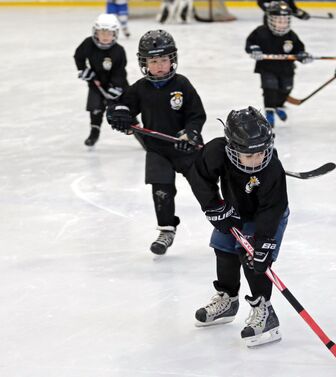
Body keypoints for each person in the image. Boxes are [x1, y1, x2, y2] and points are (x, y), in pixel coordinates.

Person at [188, 106, 289, 347]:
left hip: (267, 217)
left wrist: (264, 241)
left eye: (261, 153)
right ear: (232, 148)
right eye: (249, 155)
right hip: (235, 211)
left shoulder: (272, 168)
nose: (257, 159)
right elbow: (199, 176)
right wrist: (214, 207)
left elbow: (273, 208)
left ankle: (265, 312)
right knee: (223, 249)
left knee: (252, 258)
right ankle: (228, 299)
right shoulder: (216, 151)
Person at [107, 30, 207, 255]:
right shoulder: (140, 88)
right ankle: (166, 229)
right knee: (161, 189)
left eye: (164, 59)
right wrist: (119, 115)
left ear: (173, 59)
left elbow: (196, 115)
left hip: (185, 147)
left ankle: (226, 224)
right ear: (144, 63)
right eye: (154, 61)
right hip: (157, 149)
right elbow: (121, 106)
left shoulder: (182, 84)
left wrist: (190, 134)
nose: (160, 65)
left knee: (204, 186)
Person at [245, 1, 313, 126]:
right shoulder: (261, 32)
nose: (282, 24)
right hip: (267, 68)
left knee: (286, 88)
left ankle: (277, 106)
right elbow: (250, 43)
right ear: (270, 19)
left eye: (285, 20)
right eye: (278, 20)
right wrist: (254, 49)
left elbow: (299, 49)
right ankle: (269, 111)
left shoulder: (291, 35)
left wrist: (302, 55)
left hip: (286, 68)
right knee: (270, 88)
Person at [74, 13, 128, 147]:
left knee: (125, 110)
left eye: (109, 33)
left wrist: (116, 86)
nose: (105, 36)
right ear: (95, 32)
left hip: (116, 87)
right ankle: (94, 131)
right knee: (95, 109)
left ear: (115, 34)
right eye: (102, 32)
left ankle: (140, 135)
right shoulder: (88, 43)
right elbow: (78, 56)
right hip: (96, 83)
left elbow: (120, 71)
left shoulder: (119, 51)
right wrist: (83, 69)